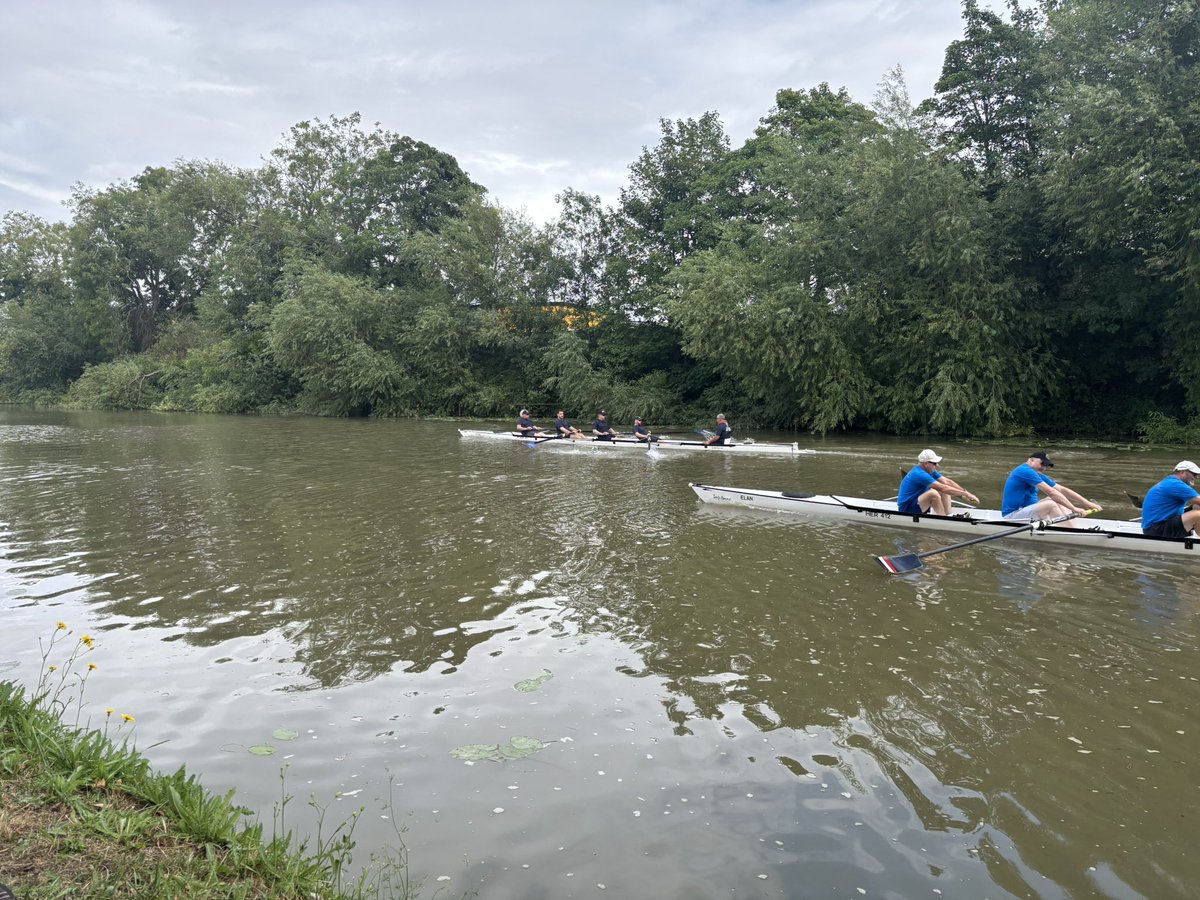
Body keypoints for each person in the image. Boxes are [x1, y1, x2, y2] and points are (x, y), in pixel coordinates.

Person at [1001, 451, 1102, 526]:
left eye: (1046, 465)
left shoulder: (1036, 474)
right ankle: (1070, 531)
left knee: (1058, 499)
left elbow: (1062, 490)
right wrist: (1074, 509)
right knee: (1051, 504)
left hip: (1028, 512)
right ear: (1031, 460)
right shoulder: (1024, 471)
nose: (1044, 468)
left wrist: (1087, 503)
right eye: (1042, 464)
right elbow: (1051, 491)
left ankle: (1071, 526)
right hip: (1013, 516)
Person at [896, 449, 979, 516]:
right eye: (935, 463)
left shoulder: (930, 470)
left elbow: (947, 481)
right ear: (925, 464)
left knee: (944, 489)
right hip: (906, 509)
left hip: (918, 503)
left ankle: (949, 515)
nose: (937, 465)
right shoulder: (919, 474)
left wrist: (966, 492)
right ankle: (943, 520)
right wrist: (966, 495)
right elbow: (943, 488)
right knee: (934, 493)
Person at [1140, 461, 1200, 538]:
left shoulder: (1171, 481)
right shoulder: (1175, 484)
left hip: (1157, 525)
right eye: (1194, 474)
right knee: (1198, 515)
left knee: (1197, 507)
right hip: (1155, 530)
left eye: (1197, 475)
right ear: (1182, 472)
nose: (1196, 477)